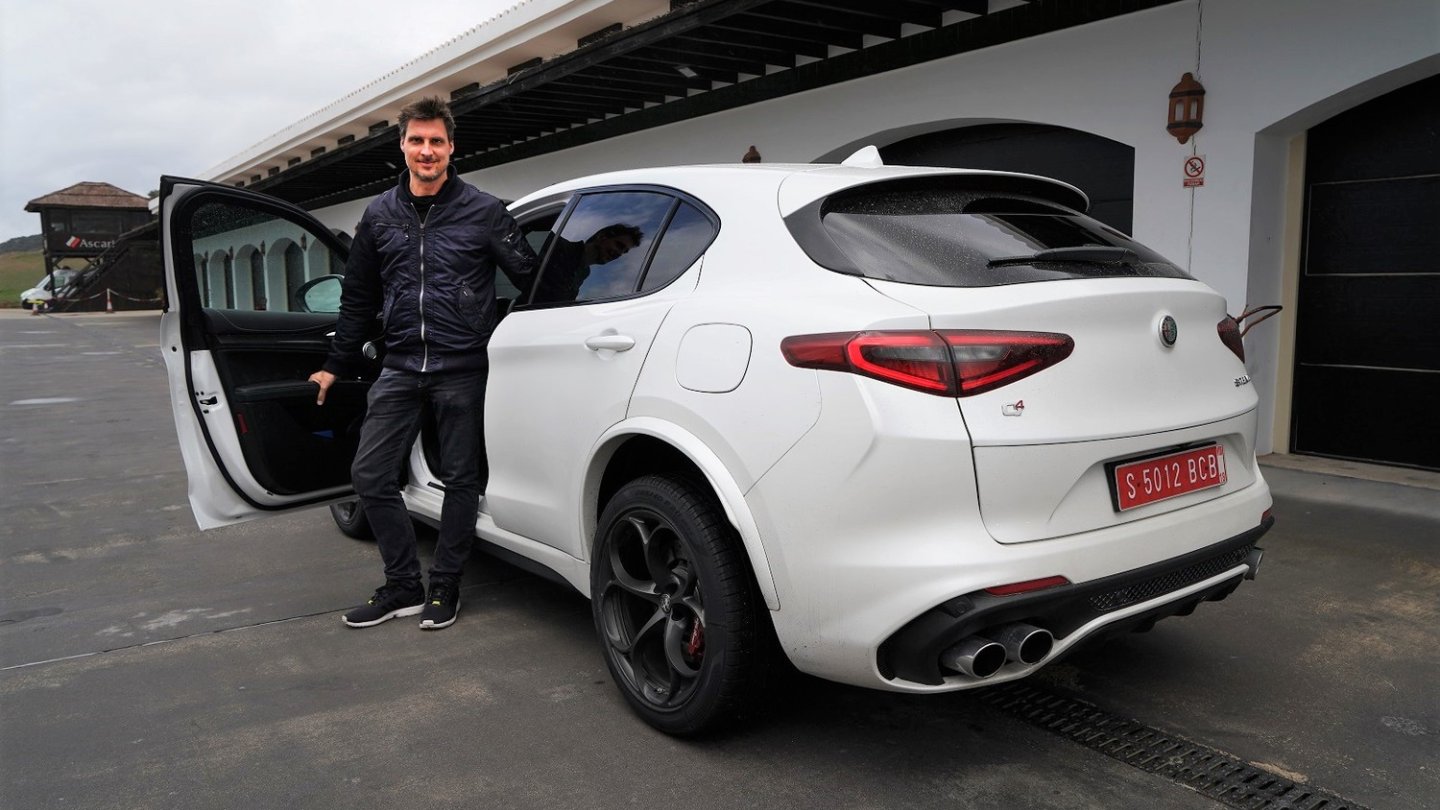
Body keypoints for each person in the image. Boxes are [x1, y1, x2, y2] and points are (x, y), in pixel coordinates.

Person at [309, 96, 537, 631]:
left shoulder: (484, 211)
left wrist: (588, 260)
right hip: (402, 363)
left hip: (463, 366)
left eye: (437, 141)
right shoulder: (379, 215)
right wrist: (335, 363)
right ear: (404, 147)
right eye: (418, 141)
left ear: (452, 148)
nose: (427, 151)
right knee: (369, 474)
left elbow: (533, 276)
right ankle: (403, 586)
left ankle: (446, 588)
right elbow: (358, 298)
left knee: (461, 480)